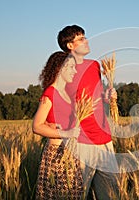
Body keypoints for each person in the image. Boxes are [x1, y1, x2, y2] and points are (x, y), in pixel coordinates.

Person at [57, 25, 119, 199]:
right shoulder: (62, 70)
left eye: (85, 37)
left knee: (111, 194)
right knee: (78, 194)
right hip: (80, 142)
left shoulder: (94, 65)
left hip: (104, 139)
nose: (86, 41)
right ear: (70, 45)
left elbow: (97, 95)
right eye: (81, 38)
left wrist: (107, 96)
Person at [32, 51, 84, 199]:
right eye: (71, 67)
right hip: (56, 156)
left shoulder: (66, 94)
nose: (75, 71)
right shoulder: (50, 92)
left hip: (71, 154)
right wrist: (66, 133)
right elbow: (36, 126)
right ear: (60, 69)